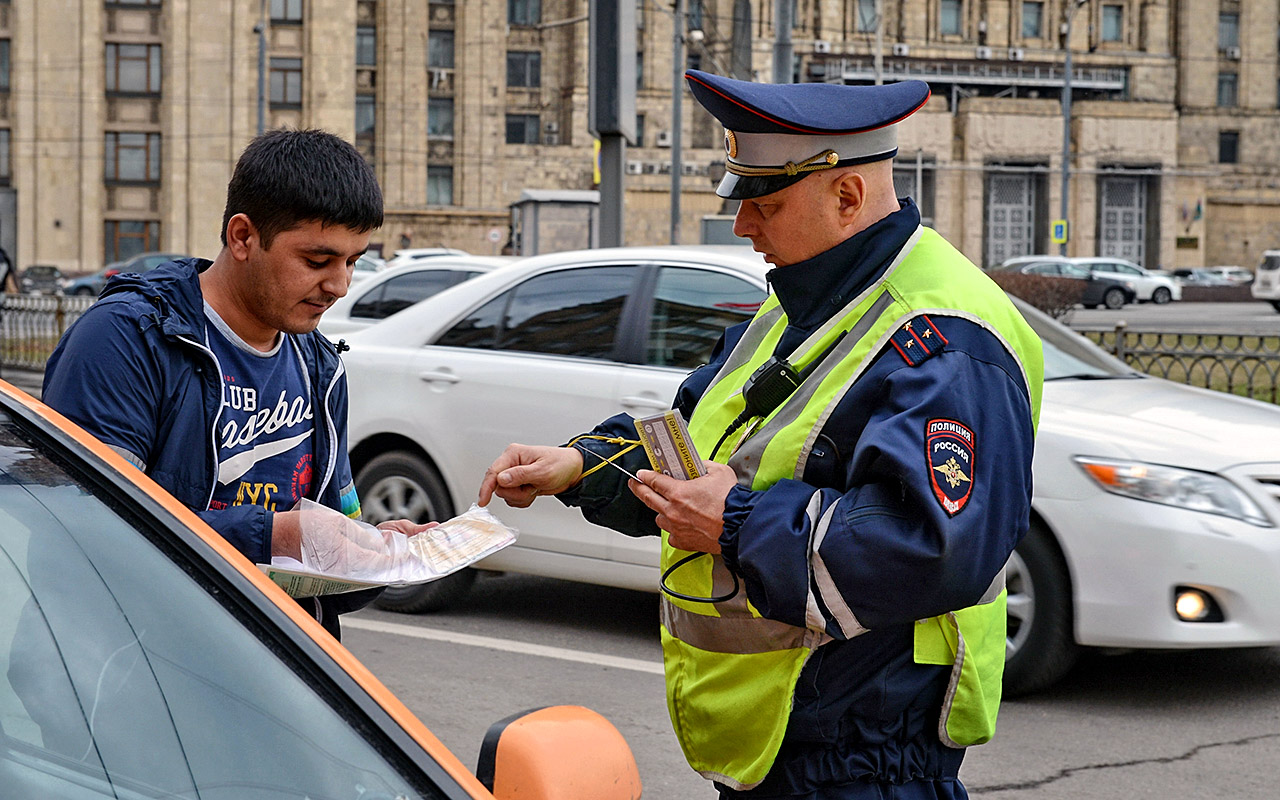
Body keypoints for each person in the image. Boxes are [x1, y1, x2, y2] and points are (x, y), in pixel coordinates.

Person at [479, 71, 1044, 799]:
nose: (743, 228)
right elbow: (699, 438)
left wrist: (736, 523)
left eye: (765, 204)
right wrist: (581, 466)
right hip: (789, 746)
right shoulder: (804, 300)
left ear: (847, 197)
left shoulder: (945, 333)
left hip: (866, 758)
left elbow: (935, 546)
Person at [42, 128, 423, 640]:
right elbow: (90, 527)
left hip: (276, 673)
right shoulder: (127, 339)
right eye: (317, 261)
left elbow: (325, 563)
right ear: (242, 236)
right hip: (136, 676)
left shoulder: (320, 366)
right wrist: (272, 537)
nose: (338, 286)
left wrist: (381, 553)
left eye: (352, 261)